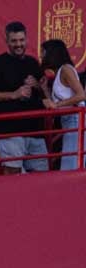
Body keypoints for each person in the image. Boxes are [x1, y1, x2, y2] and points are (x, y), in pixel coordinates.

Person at [0, 22, 48, 174]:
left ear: (27, 39)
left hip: (35, 131)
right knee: (13, 175)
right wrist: (14, 94)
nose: (18, 44)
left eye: (21, 40)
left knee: (42, 177)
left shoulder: (32, 62)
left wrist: (37, 85)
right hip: (9, 131)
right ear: (7, 41)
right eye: (14, 41)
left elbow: (46, 96)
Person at [42, 39, 85, 170]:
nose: (41, 56)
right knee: (71, 162)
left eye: (43, 52)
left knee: (71, 165)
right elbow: (55, 104)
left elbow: (81, 95)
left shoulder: (65, 69)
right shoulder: (60, 72)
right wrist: (44, 89)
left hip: (75, 120)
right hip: (70, 121)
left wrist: (58, 105)